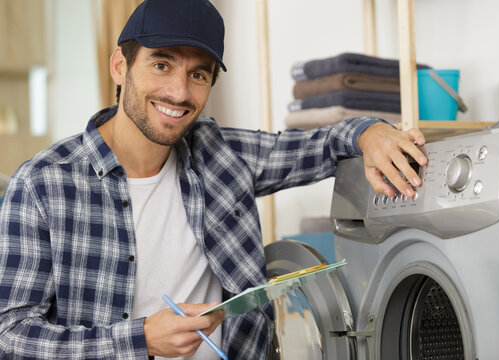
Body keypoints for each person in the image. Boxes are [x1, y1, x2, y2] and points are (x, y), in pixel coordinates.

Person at [0, 0, 427, 359]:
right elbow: (10, 335)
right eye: (161, 64)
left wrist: (371, 133)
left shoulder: (221, 154)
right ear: (119, 66)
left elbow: (325, 144)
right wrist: (141, 339)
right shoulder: (43, 185)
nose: (180, 92)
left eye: (198, 74)